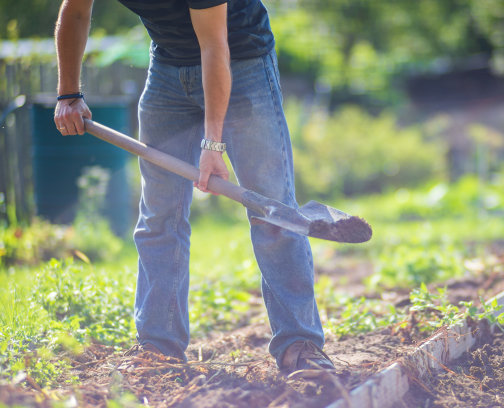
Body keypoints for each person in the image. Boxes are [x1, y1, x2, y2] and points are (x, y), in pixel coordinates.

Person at [53, 0, 334, 376]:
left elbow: (214, 44)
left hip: (240, 60)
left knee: (272, 213)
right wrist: (68, 93)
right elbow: (74, 12)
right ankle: (158, 347)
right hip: (167, 67)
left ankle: (300, 344)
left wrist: (212, 144)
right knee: (159, 216)